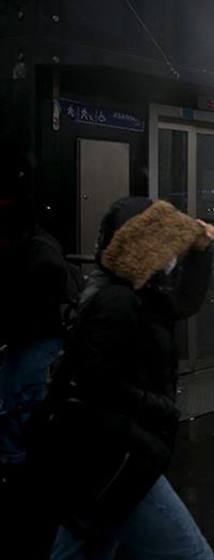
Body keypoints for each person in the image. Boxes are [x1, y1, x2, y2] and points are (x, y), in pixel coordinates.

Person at [37, 197, 214, 559]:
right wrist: (161, 411)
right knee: (191, 554)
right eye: (166, 246)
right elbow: (98, 387)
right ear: (143, 249)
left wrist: (200, 253)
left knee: (84, 547)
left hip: (99, 465)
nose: (171, 256)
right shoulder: (116, 302)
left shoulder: (131, 290)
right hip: (116, 462)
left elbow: (182, 301)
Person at [0, 150, 81, 558]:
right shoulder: (40, 244)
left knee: (23, 415)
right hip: (33, 344)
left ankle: (26, 491)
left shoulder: (34, 253)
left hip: (34, 344)